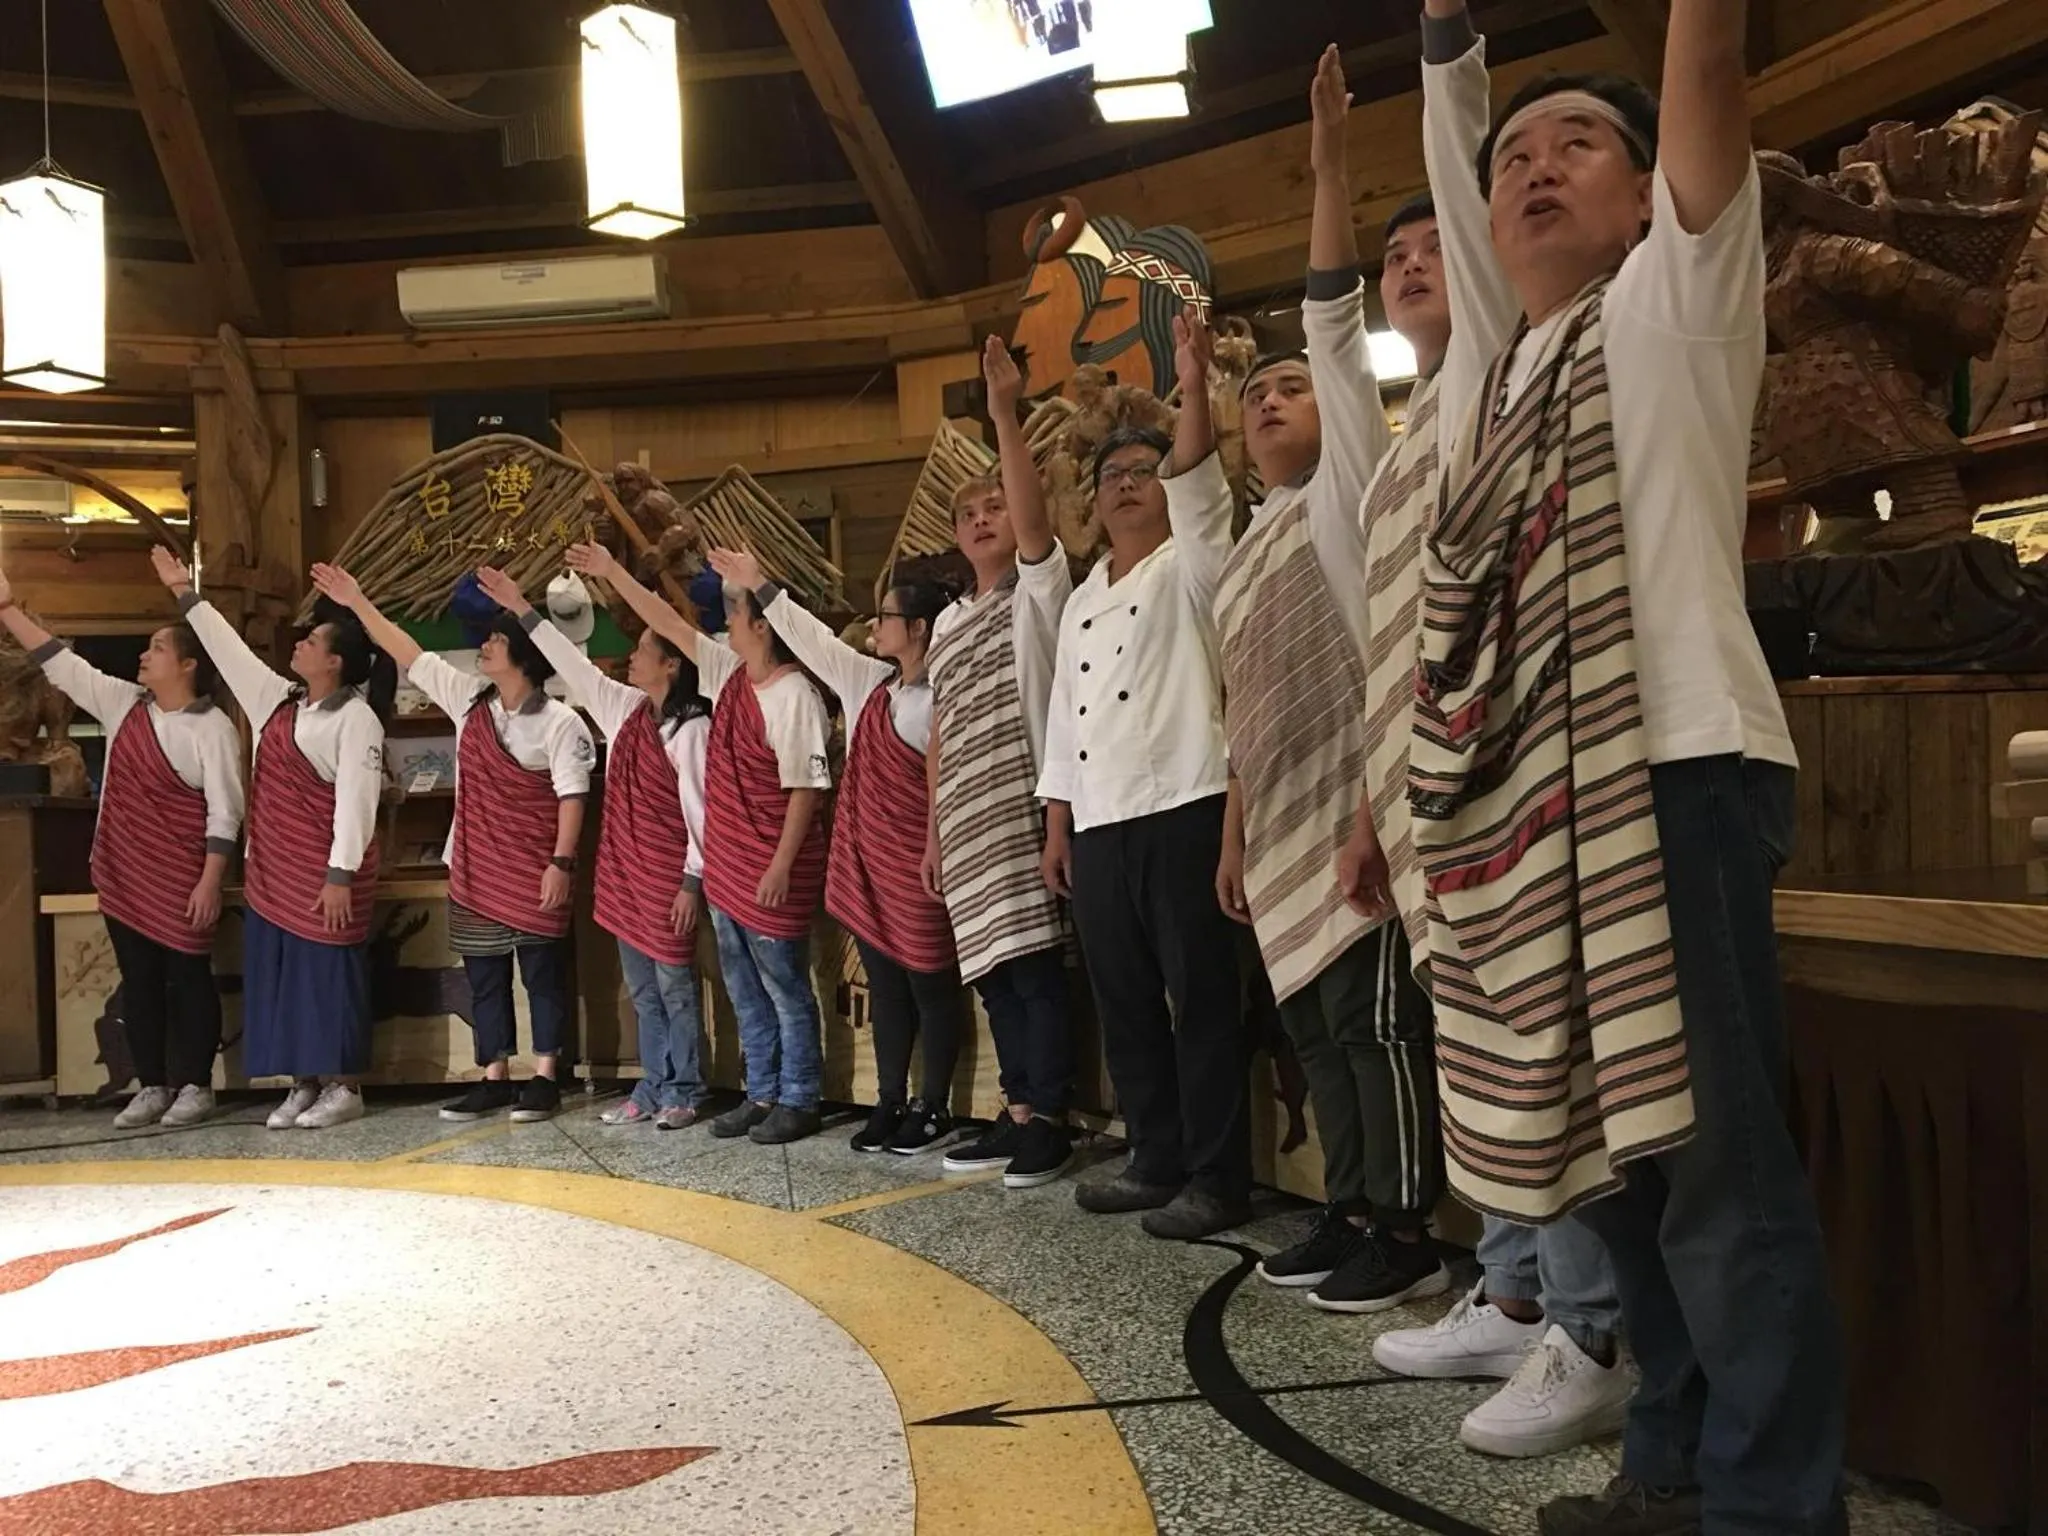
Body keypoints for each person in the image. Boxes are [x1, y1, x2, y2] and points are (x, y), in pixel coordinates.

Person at [1411, 0, 1845, 1526]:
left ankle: (1768, 1507)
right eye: (1510, 154)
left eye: (1579, 143)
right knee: (1614, 1171)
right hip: (1538, 826)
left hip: (1674, 780)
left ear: (1649, 183)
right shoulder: (1492, 380)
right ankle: (1669, 1468)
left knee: (1715, 1179)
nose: (1535, 170)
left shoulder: (1676, 300)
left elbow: (1709, 71)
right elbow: (1464, 242)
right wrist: (1445, 54)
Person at [1331, 0, 1632, 1461]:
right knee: (1478, 1050)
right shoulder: (1418, 438)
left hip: (1537, 775)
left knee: (1538, 1053)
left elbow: (1460, 171)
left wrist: (1445, 39)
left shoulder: (1516, 358)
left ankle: (1585, 1320)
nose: (1415, 262)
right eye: (1393, 260)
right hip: (1428, 782)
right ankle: (1513, 1296)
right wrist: (1367, 806)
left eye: (1426, 243)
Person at [1213, 42, 1449, 1314]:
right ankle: (1346, 1204)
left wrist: (1325, 163)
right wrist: (1240, 833)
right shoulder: (1249, 540)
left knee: (1374, 1029)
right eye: (1253, 394)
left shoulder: (1355, 484)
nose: (1271, 401)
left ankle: (1405, 1226)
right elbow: (1239, 708)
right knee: (1312, 1034)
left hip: (1363, 795)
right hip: (1279, 815)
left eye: (1291, 386)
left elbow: (1326, 316)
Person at [1039, 305, 1249, 1242]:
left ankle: (1217, 1176)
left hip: (1188, 804)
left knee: (1203, 1003)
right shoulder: (1085, 596)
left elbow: (1204, 488)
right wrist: (1059, 824)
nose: (1126, 487)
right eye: (1110, 476)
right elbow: (1062, 720)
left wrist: (1195, 387)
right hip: (1102, 821)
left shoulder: (1195, 564)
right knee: (1126, 1004)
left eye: (1143, 472)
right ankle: (1153, 1156)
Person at [709, 545, 973, 1159]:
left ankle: (932, 1105)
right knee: (885, 989)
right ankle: (889, 1100)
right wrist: (763, 584)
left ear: (918, 629)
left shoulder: (941, 696)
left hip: (920, 864)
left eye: (885, 617)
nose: (874, 626)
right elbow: (818, 639)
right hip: (872, 867)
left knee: (931, 987)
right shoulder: (868, 684)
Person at [570, 543, 832, 1146]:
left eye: (735, 614)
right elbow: (668, 624)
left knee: (786, 991)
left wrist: (781, 863)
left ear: (762, 625)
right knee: (745, 991)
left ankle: (800, 1095)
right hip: (729, 869)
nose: (724, 625)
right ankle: (762, 1092)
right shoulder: (731, 678)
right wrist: (612, 571)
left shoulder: (794, 696)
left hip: (767, 868)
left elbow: (804, 790)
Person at [313, 563, 593, 1126]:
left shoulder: (561, 722)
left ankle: (544, 1077)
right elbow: (410, 653)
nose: (483, 648)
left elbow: (572, 796)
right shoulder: (470, 702)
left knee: (541, 976)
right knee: (484, 976)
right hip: (475, 867)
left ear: (522, 655)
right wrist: (360, 601)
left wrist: (561, 863)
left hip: (534, 866)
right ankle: (494, 1075)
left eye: (494, 640)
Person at [155, 549, 394, 1131]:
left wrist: (339, 875)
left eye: (312, 642)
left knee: (327, 978)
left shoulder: (356, 719)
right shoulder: (277, 702)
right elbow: (226, 650)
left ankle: (343, 1084)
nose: (300, 645)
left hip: (325, 876)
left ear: (334, 662)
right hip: (275, 876)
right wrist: (185, 594)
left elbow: (357, 803)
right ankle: (301, 1083)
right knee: (283, 980)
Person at [0, 557, 240, 1130]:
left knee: (187, 981)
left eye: (157, 647)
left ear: (187, 664)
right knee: (139, 983)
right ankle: (152, 1083)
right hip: (124, 873)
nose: (143, 654)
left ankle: (195, 1085)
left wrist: (210, 880)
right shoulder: (122, 705)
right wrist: (7, 609)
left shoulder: (213, 729)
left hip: (183, 877)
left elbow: (226, 812)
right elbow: (61, 665)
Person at [474, 567, 711, 1133]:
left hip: (669, 876)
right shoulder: (625, 709)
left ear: (672, 664)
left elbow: (700, 809)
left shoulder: (692, 729)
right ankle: (652, 1085)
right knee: (644, 993)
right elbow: (573, 665)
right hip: (628, 876)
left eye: (644, 650)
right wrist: (522, 606)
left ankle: (686, 1088)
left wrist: (691, 881)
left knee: (677, 990)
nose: (631, 657)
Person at [924, 336, 1079, 1189]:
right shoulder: (947, 622)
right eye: (969, 513)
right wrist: (934, 831)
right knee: (989, 973)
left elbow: (1030, 525)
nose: (985, 519)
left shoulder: (1035, 592)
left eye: (995, 507)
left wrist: (1003, 414)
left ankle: (1049, 1115)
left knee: (1031, 968)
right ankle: (1016, 1107)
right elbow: (941, 723)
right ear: (952, 537)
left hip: (1024, 802)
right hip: (967, 817)